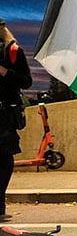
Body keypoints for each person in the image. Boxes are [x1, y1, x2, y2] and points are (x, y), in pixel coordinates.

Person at [0, 19, 31, 221]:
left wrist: (5, 73)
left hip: (4, 115)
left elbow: (26, 81)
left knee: (3, 159)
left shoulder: (13, 52)